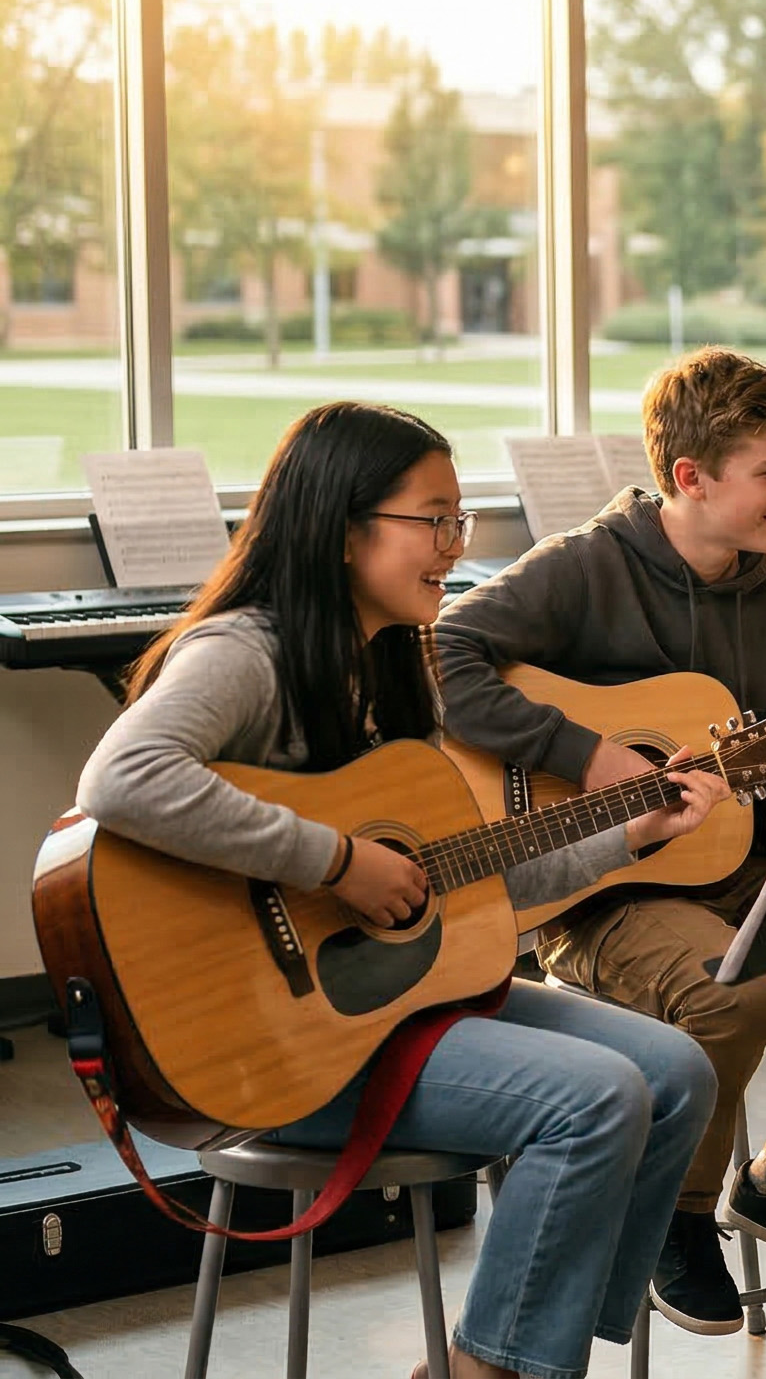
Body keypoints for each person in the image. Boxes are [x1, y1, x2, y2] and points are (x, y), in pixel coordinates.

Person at [77, 402, 723, 1379]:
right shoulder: (246, 651)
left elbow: (464, 872)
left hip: (390, 1011)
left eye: (460, 520)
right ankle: (490, 1370)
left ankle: (525, 1354)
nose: (455, 546)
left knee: (677, 1074)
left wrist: (628, 834)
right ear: (345, 530)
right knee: (596, 1099)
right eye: (435, 520)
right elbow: (122, 779)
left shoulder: (394, 667)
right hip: (274, 1046)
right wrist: (336, 862)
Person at [433, 348, 766, 1335]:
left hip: (735, 873)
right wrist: (586, 754)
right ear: (692, 476)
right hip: (599, 895)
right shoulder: (583, 568)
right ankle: (675, 1219)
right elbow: (441, 655)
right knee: (737, 989)